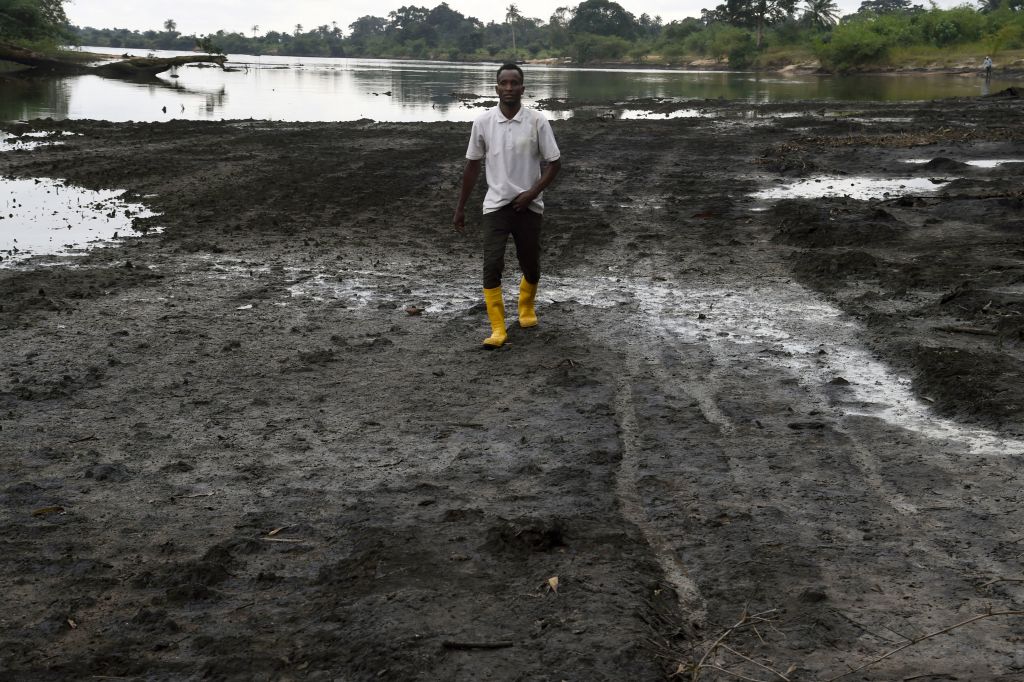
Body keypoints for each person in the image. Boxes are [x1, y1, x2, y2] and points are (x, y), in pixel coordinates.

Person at [453, 63, 561, 348]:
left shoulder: (537, 121)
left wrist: (531, 193)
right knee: (492, 264)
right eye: (504, 83)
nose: (510, 88)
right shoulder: (484, 122)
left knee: (531, 265)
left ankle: (525, 307)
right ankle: (498, 329)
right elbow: (473, 166)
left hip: (529, 206)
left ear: (523, 88)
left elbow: (554, 163)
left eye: (515, 83)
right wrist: (461, 207)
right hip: (496, 206)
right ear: (497, 88)